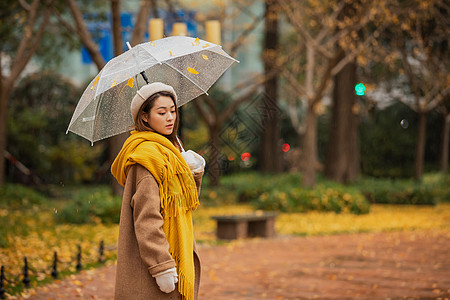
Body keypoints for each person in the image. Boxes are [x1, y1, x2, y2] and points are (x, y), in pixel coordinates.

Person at [111, 82, 203, 300]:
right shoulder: (147, 157)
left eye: (172, 111)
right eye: (161, 112)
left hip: (175, 253)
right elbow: (147, 218)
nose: (170, 117)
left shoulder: (169, 153)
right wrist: (161, 265)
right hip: (159, 264)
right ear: (144, 117)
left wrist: (193, 172)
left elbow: (184, 205)